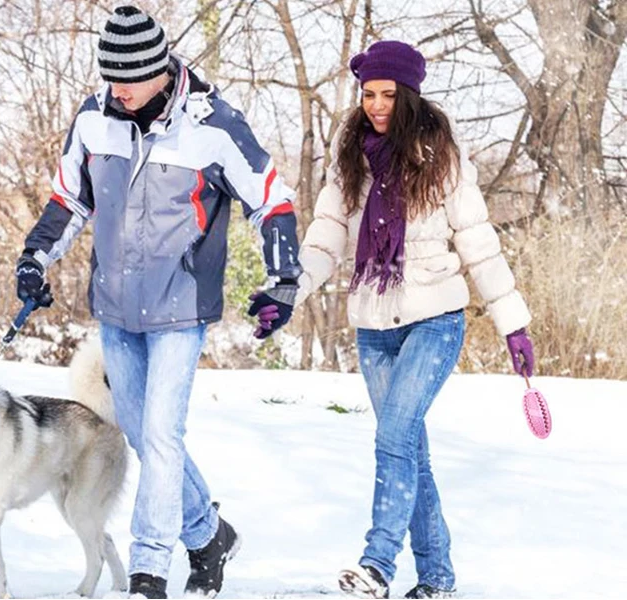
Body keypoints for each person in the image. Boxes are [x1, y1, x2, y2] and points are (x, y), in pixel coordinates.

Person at [14, 6, 302, 599]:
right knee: (145, 436)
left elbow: (271, 200)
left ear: (161, 70)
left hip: (180, 307)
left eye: (129, 78)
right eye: (109, 77)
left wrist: (283, 279)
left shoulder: (214, 125)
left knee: (163, 435)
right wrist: (34, 259)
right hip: (117, 308)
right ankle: (208, 533)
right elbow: (70, 199)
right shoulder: (94, 119)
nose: (117, 89)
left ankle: (149, 570)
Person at [293, 41, 535, 599]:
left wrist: (512, 323)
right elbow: (327, 236)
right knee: (409, 452)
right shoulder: (350, 155)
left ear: (408, 95)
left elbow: (479, 245)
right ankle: (438, 579)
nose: (376, 105)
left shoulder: (441, 158)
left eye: (387, 95)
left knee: (395, 436)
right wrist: (291, 289)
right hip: (374, 326)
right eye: (369, 94)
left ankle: (377, 562)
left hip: (434, 320)